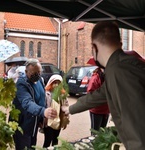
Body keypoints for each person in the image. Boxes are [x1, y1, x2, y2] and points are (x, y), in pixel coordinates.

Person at [62, 21, 145, 150]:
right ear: (120, 43)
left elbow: (137, 129)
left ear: (94, 48)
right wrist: (70, 109)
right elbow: (99, 94)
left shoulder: (119, 70)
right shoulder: (119, 66)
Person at [11, 58, 57, 150]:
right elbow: (27, 103)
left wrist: (41, 118)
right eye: (33, 73)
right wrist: (43, 111)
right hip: (22, 125)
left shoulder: (40, 80)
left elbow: (42, 98)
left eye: (39, 72)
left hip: (34, 124)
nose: (37, 75)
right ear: (26, 71)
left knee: (32, 146)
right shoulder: (21, 84)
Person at [43, 74, 68, 148]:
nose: (56, 85)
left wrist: (65, 120)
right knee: (47, 140)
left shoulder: (62, 95)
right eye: (54, 83)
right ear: (51, 83)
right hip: (49, 122)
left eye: (58, 83)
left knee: (55, 140)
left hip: (58, 121)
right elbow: (43, 106)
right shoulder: (47, 94)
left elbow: (65, 107)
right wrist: (43, 120)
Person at [87, 67, 109, 133]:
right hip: (96, 110)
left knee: (103, 131)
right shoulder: (95, 78)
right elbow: (90, 94)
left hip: (106, 109)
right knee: (95, 132)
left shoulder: (108, 78)